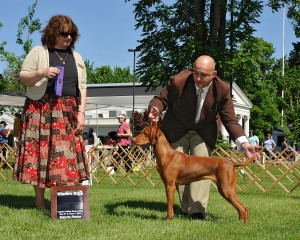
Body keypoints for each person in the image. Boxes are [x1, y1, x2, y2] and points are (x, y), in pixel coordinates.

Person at [148, 55, 260, 220]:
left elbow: (230, 120)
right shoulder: (179, 81)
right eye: (196, 73)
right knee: (177, 171)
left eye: (204, 75)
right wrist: (155, 108)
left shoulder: (222, 90)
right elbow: (160, 99)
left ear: (214, 74)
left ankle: (197, 211)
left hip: (203, 131)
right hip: (177, 129)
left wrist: (244, 144)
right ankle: (185, 209)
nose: (198, 78)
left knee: (201, 167)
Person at [13, 15, 90, 210]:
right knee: (40, 156)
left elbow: (83, 86)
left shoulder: (77, 57)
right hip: (42, 109)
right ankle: (40, 201)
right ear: (53, 33)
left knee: (68, 157)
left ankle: (65, 205)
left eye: (72, 33)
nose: (69, 37)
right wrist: (42, 73)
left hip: (69, 110)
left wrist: (81, 113)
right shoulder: (39, 52)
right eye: (64, 33)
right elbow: (23, 77)